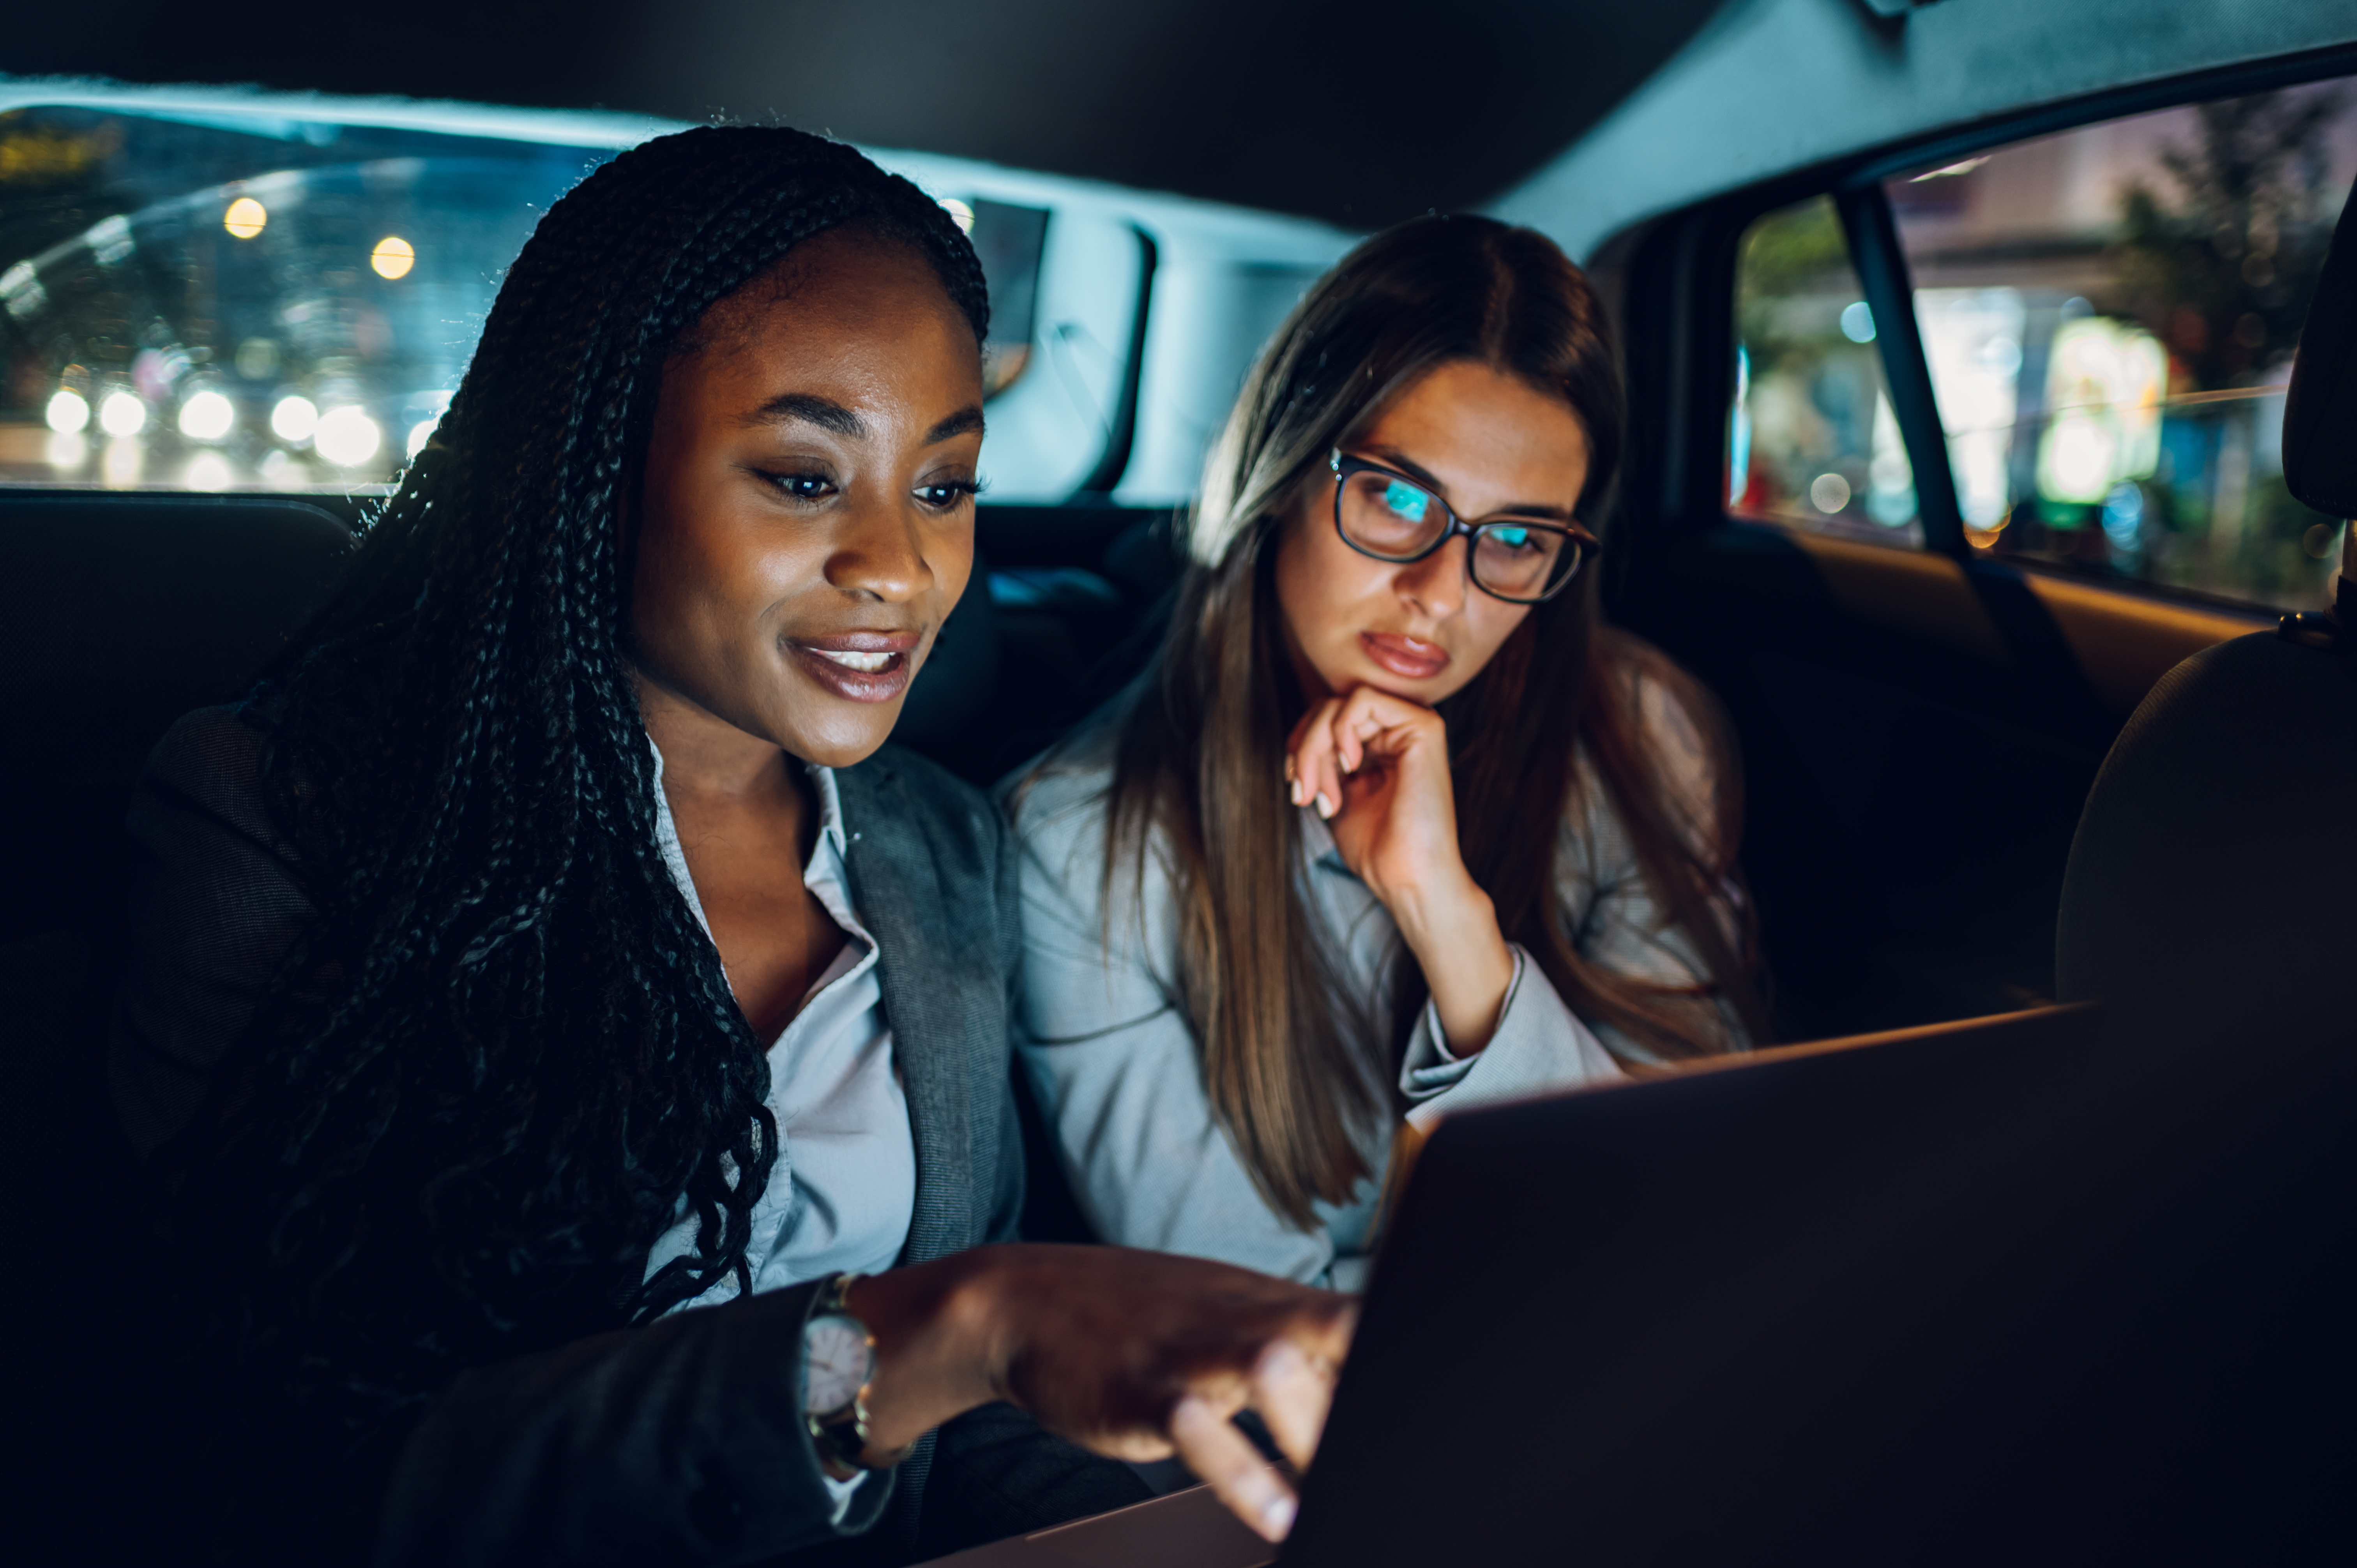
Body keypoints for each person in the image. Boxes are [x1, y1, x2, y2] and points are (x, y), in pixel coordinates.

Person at [112, 127, 1348, 1568]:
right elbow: (308, 1472)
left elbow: (968, 1432)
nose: (898, 566)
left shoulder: (942, 851)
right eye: (804, 478)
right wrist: (944, 1331)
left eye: (943, 486)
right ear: (595, 471)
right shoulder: (278, 816)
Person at [1006, 215, 1769, 1291]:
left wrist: (1451, 923)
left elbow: (1682, 1201)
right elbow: (1242, 1322)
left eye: (1516, 539)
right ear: (1282, 470)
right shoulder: (1078, 847)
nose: (1442, 595)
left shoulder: (1635, 733)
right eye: (1399, 497)